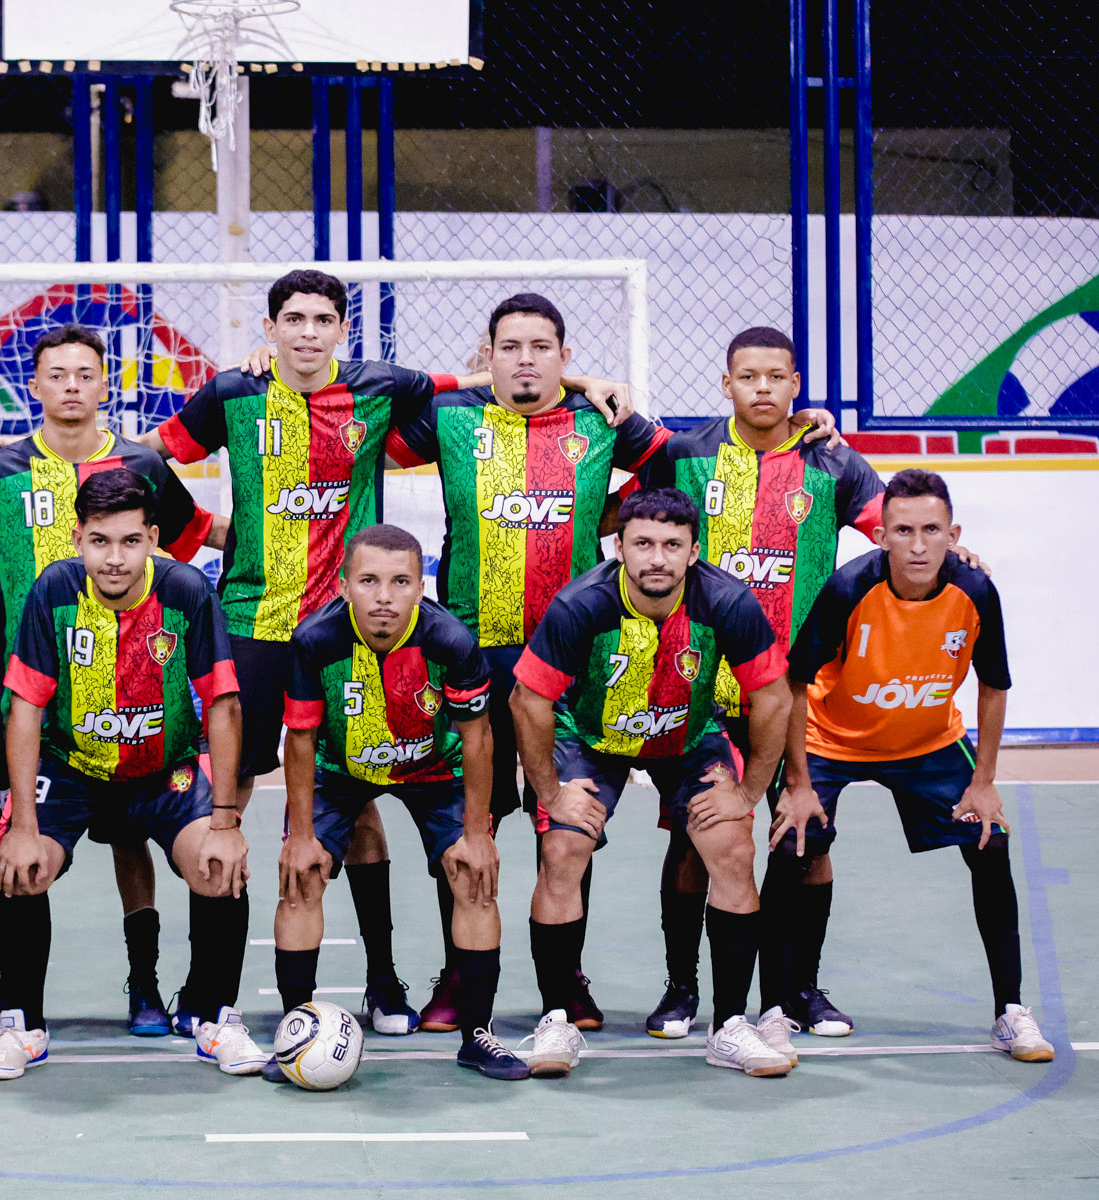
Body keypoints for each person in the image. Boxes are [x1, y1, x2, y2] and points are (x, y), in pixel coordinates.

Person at [143, 269, 633, 1038]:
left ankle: (421, 982)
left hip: (383, 632)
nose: (307, 332)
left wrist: (587, 392)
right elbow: (149, 458)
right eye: (293, 320)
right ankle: (212, 994)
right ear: (270, 329)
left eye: (322, 319)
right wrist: (201, 533)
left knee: (442, 801)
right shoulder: (241, 391)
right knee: (233, 805)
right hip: (257, 624)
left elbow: (500, 383)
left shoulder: (381, 391)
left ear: (343, 329)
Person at [386, 292, 672, 1034]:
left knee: (564, 823)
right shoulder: (450, 417)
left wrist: (605, 511)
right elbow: (365, 431)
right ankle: (459, 976)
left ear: (564, 356)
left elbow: (680, 462)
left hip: (570, 662)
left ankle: (562, 983)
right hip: (471, 656)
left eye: (541, 348)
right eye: (509, 347)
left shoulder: (600, 421)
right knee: (467, 822)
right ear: (487, 354)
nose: (524, 360)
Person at [0, 324, 220, 1037]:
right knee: (18, 848)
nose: (71, 386)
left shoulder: (143, 465)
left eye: (85, 374)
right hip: (36, 705)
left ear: (105, 383)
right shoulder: (0, 469)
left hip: (136, 696)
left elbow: (195, 536)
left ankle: (146, 985)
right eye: (56, 374)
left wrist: (316, 561)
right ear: (34, 385)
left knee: (134, 840)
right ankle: (15, 995)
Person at [627, 325, 887, 1039]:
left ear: (796, 385)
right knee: (695, 839)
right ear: (726, 384)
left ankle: (797, 989)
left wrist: (960, 554)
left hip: (797, 695)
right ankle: (682, 988)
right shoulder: (687, 454)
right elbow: (621, 516)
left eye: (776, 376)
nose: (763, 388)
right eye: (748, 376)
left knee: (808, 840)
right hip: (701, 693)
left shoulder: (833, 461)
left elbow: (893, 529)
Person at [509, 487, 795, 1079]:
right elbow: (527, 700)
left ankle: (730, 1026)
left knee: (733, 849)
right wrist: (551, 793)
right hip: (590, 737)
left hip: (687, 738)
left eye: (671, 544)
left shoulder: (728, 602)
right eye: (642, 543)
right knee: (562, 850)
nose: (657, 557)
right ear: (620, 547)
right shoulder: (581, 604)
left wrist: (747, 794)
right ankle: (557, 1019)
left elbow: (774, 697)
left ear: (694, 552)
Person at [768, 469, 1049, 1062]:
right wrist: (797, 783)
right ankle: (776, 1009)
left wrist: (984, 782)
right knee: (796, 842)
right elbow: (795, 681)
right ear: (881, 536)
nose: (918, 545)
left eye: (931, 530)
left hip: (926, 742)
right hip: (832, 738)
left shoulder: (975, 591)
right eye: (903, 531)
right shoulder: (849, 588)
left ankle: (1010, 1012)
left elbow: (994, 685)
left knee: (990, 842)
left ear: (954, 535)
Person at [0, 469, 257, 1081]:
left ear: (153, 538)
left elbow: (223, 704)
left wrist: (225, 821)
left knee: (219, 866)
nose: (114, 558)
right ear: (77, 538)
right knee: (20, 867)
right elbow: (24, 708)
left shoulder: (186, 590)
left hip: (165, 772)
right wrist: (21, 824)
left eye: (131, 541)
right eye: (100, 541)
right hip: (72, 769)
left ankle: (217, 1018)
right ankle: (21, 1025)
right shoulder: (53, 591)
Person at [277, 525, 525, 1081]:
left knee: (473, 875)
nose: (384, 596)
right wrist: (300, 836)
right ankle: (294, 1032)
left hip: (435, 768)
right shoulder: (314, 640)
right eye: (368, 581)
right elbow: (301, 739)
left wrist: (477, 835)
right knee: (301, 875)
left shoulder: (450, 641)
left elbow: (478, 738)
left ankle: (477, 1036)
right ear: (344, 586)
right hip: (340, 768)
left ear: (420, 586)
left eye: (400, 582)